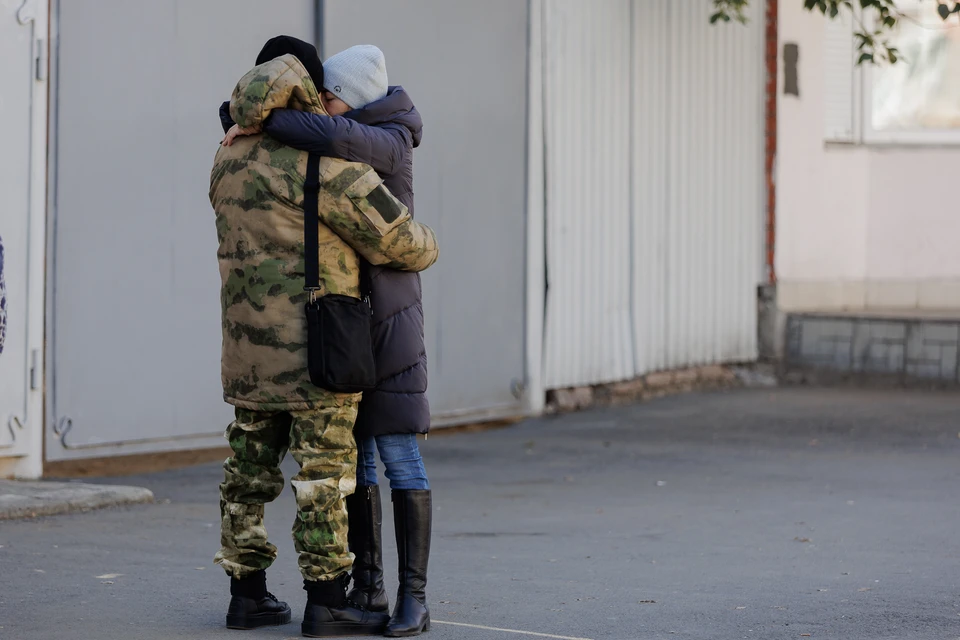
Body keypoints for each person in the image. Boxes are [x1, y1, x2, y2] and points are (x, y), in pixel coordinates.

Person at [209, 36, 439, 637]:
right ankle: (328, 601)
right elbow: (405, 244)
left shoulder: (226, 157)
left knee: (246, 476)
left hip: (246, 351)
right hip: (317, 346)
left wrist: (238, 120)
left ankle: (247, 595)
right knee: (325, 477)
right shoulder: (325, 164)